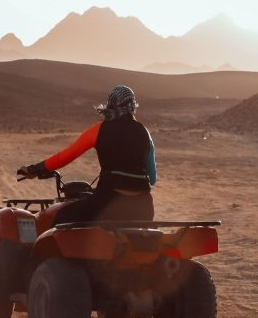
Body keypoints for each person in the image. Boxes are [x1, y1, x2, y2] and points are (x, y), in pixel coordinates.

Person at [18, 85, 156, 224]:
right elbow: (152, 177)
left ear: (110, 105)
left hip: (107, 203)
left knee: (60, 219)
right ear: (133, 106)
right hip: (143, 207)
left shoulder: (100, 129)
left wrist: (35, 169)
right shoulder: (145, 132)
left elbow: (65, 156)